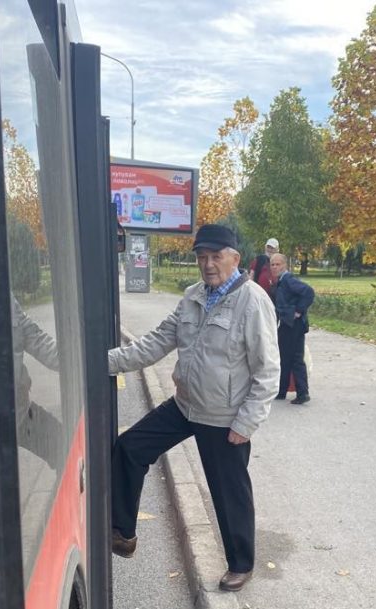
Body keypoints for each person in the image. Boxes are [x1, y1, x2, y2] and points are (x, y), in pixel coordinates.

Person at [107, 224, 280, 592]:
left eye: (216, 256)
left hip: (224, 416)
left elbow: (268, 371)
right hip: (185, 405)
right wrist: (106, 362)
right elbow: (155, 342)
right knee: (130, 447)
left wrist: (246, 423)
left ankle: (241, 564)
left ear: (235, 258)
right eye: (202, 257)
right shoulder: (193, 296)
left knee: (229, 493)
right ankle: (122, 533)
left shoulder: (253, 301)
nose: (208, 264)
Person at [11, 295, 62, 470]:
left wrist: (92, 360)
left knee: (63, 445)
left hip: (19, 413)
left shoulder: (6, 297)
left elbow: (39, 342)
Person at [269, 253, 315, 404]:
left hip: (294, 324)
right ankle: (286, 391)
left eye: (277, 264)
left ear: (285, 265)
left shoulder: (288, 280)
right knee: (287, 357)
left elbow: (308, 292)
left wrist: (298, 311)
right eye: (272, 264)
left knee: (293, 358)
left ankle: (300, 393)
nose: (274, 267)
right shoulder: (281, 282)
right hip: (289, 324)